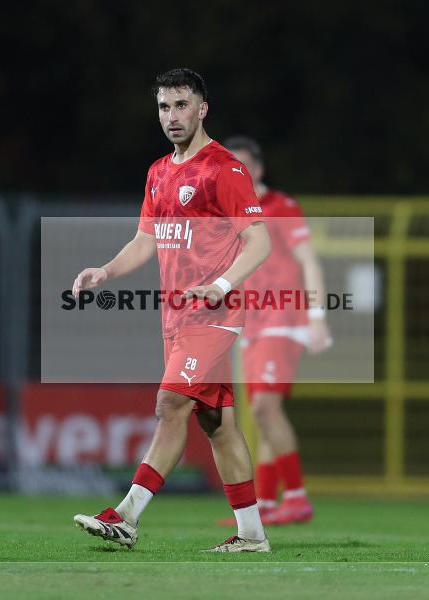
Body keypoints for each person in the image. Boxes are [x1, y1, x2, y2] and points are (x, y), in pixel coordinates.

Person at [71, 69, 272, 552]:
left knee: (170, 404)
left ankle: (125, 515)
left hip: (214, 315)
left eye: (182, 105)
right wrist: (106, 272)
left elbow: (260, 242)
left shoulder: (224, 168)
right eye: (164, 106)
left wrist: (221, 286)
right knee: (217, 424)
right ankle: (252, 536)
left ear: (203, 109)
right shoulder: (159, 172)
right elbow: (146, 240)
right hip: (177, 318)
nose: (172, 116)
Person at [222, 135, 332, 525]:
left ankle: (297, 497)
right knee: (266, 414)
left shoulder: (281, 208)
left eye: (246, 165)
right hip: (254, 327)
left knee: (264, 409)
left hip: (284, 321)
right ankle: (267, 502)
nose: (240, 172)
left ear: (259, 169)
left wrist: (318, 315)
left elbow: (310, 262)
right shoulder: (233, 213)